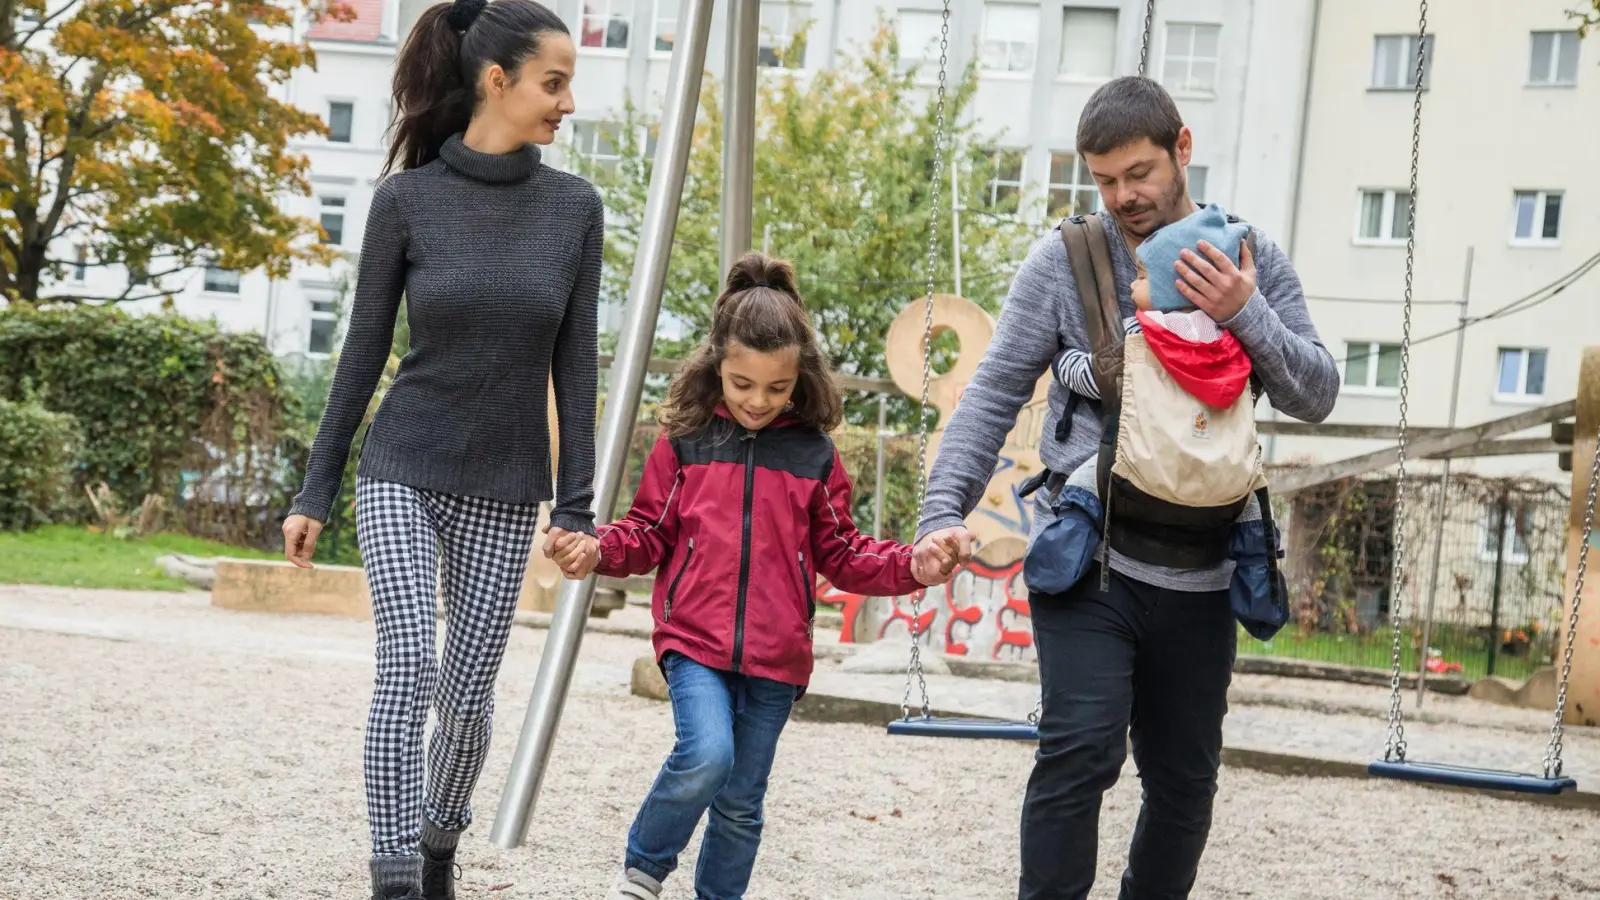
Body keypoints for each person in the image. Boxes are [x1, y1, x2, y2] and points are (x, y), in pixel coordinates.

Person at [910, 76, 1339, 900]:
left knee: (1184, 781)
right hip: (1087, 552)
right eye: (1104, 180)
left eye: (1138, 173)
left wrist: (1245, 311)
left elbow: (1315, 395)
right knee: (1081, 748)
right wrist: (941, 513)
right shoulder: (1065, 259)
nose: (1122, 197)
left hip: (1206, 566)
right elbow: (995, 389)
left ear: (1183, 147)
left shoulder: (1250, 255)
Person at [278, 3, 602, 898]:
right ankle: (392, 877)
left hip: (505, 483)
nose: (567, 102)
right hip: (402, 465)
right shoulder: (408, 201)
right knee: (410, 663)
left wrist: (575, 509)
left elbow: (578, 370)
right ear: (496, 80)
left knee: (465, 702)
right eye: (555, 81)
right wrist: (316, 488)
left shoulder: (574, 208)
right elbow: (362, 352)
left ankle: (436, 845)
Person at [552, 252, 956, 900]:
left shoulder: (815, 454)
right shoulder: (684, 439)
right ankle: (643, 871)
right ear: (717, 366)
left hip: (778, 656)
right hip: (694, 642)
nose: (759, 401)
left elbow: (844, 553)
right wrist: (596, 550)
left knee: (741, 802)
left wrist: (913, 565)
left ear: (801, 377)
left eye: (777, 388)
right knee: (707, 755)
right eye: (742, 384)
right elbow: (648, 532)